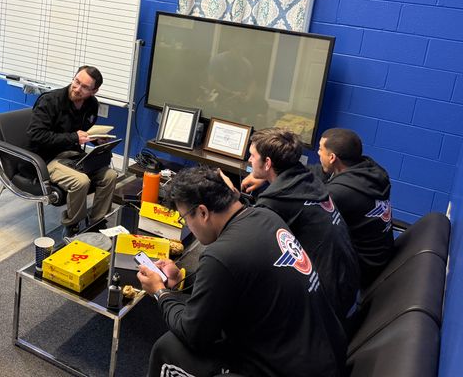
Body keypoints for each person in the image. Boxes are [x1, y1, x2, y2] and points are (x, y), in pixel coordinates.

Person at [136, 166, 346, 377]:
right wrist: (180, 279)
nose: (188, 226)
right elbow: (233, 279)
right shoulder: (265, 215)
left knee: (168, 348)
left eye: (185, 218)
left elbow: (194, 336)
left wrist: (160, 293)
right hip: (323, 350)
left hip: (288, 369)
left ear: (202, 212)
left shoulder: (221, 254)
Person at [240, 128, 360, 323]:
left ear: (268, 163)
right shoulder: (309, 179)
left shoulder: (275, 201)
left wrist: (231, 199)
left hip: (325, 307)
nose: (250, 160)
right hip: (347, 286)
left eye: (253, 156)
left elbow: (246, 240)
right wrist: (265, 177)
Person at [27, 65, 117, 238]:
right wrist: (73, 138)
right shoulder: (50, 101)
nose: (77, 88)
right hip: (47, 158)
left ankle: (97, 222)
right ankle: (72, 224)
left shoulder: (91, 104)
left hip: (73, 156)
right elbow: (36, 136)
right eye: (76, 81)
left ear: (94, 91)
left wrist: (97, 139)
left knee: (110, 175)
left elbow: (85, 131)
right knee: (81, 181)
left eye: (84, 87)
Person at [313, 128, 394, 287]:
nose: (317, 152)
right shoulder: (372, 170)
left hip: (361, 269)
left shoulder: (338, 193)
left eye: (320, 149)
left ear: (332, 157)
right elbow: (319, 172)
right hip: (380, 255)